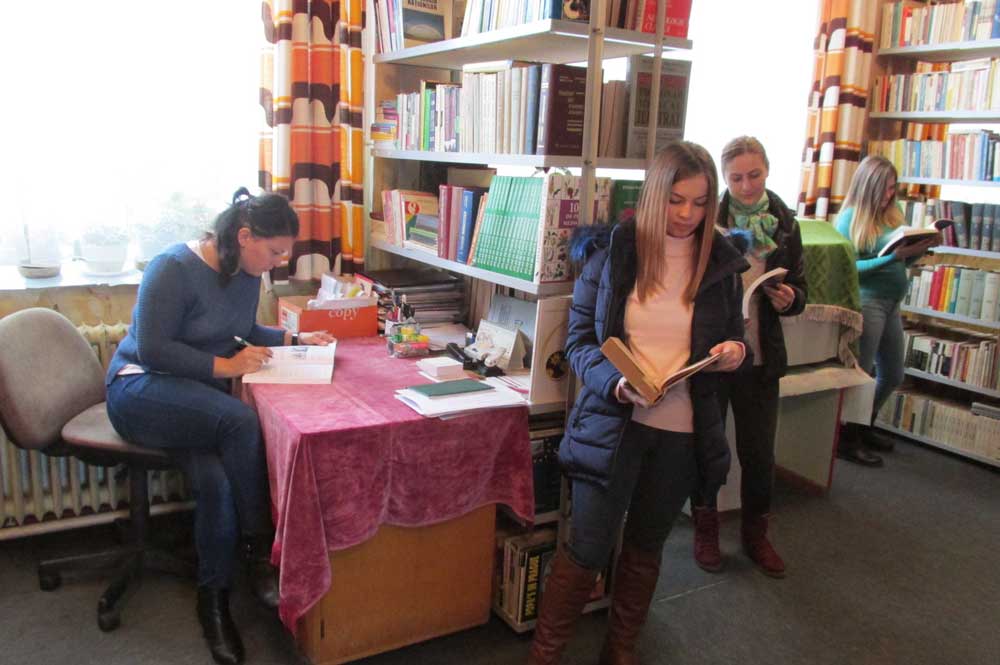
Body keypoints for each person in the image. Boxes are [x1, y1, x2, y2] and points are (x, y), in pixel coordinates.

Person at [527, 142, 750, 665]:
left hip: (683, 432)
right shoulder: (612, 255)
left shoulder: (721, 263)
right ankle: (545, 655)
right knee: (587, 546)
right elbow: (579, 343)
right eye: (676, 200)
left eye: (700, 203)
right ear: (654, 195)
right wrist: (615, 384)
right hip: (614, 423)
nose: (688, 215)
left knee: (647, 547)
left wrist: (734, 353)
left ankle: (621, 650)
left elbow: (736, 338)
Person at [104, 188, 334, 665]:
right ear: (244, 236)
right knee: (239, 420)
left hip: (192, 398)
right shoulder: (171, 268)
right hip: (139, 389)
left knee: (217, 481)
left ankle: (213, 601)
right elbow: (153, 350)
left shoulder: (245, 271)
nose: (278, 262)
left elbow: (242, 332)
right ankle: (258, 550)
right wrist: (226, 368)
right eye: (274, 252)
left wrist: (294, 337)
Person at [688, 136, 808, 579]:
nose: (745, 186)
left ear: (768, 170)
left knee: (759, 454)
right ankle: (705, 530)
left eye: (754, 175)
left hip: (761, 355)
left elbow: (801, 289)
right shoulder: (707, 217)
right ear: (724, 178)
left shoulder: (785, 222)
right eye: (736, 177)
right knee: (708, 448)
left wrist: (790, 298)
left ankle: (756, 535)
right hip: (715, 353)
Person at [834, 156, 938, 466]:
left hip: (892, 303)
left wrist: (917, 251)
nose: (890, 195)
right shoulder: (850, 219)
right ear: (868, 187)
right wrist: (892, 258)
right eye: (884, 189)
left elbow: (903, 260)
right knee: (863, 374)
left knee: (893, 374)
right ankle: (848, 438)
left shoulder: (893, 213)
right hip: (869, 302)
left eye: (893, 188)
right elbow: (849, 269)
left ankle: (864, 424)